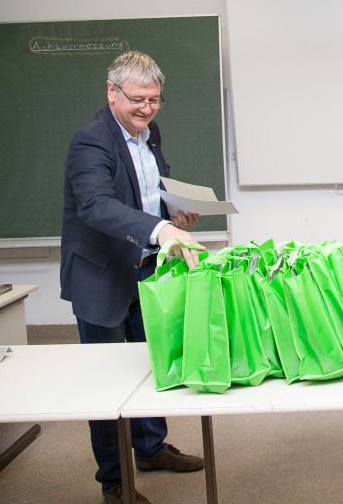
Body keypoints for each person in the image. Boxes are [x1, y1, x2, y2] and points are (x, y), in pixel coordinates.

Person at [61, 52, 206, 504]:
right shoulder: (90, 141)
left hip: (146, 269)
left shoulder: (149, 133)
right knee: (107, 384)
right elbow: (96, 205)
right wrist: (160, 230)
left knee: (151, 364)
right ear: (112, 91)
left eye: (154, 100)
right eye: (138, 99)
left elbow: (145, 193)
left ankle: (151, 449)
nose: (147, 109)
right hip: (102, 278)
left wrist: (172, 213)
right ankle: (114, 481)